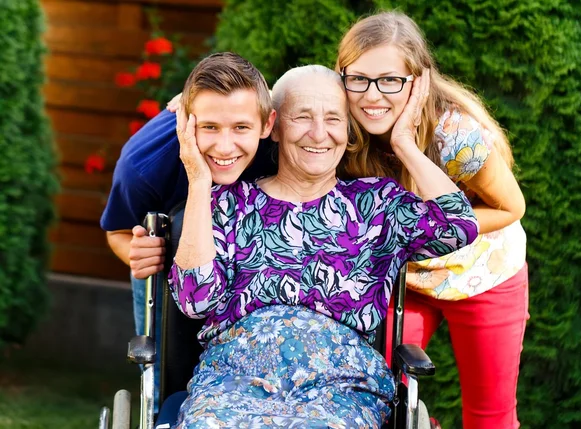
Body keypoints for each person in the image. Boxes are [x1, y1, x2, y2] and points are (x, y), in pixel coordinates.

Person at [167, 64, 479, 428]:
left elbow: (459, 226)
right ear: (275, 126)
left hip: (340, 388)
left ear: (347, 132)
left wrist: (403, 143)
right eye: (302, 117)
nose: (319, 134)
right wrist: (199, 181)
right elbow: (195, 301)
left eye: (333, 119)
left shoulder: (377, 205)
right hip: (233, 382)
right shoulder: (226, 203)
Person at [335, 12, 528, 429]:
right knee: (381, 400)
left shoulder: (454, 134)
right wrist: (179, 112)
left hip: (481, 273)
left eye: (390, 80)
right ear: (341, 76)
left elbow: (511, 208)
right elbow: (270, 111)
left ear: (418, 81)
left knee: (490, 417)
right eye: (359, 79)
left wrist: (405, 144)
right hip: (407, 281)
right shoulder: (338, 126)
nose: (372, 96)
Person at [100, 52, 277, 407]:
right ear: (185, 119)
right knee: (167, 376)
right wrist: (136, 252)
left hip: (250, 268)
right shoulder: (143, 164)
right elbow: (117, 231)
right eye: (208, 127)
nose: (224, 147)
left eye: (241, 128)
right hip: (170, 273)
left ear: (266, 124)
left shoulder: (279, 145)